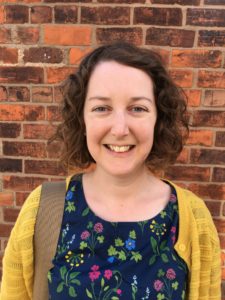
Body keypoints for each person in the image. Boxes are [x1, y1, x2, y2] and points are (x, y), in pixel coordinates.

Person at [0, 42, 221, 299]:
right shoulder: (42, 210)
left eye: (137, 108)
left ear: (158, 119)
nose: (119, 129)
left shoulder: (193, 220)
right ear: (82, 119)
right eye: (101, 108)